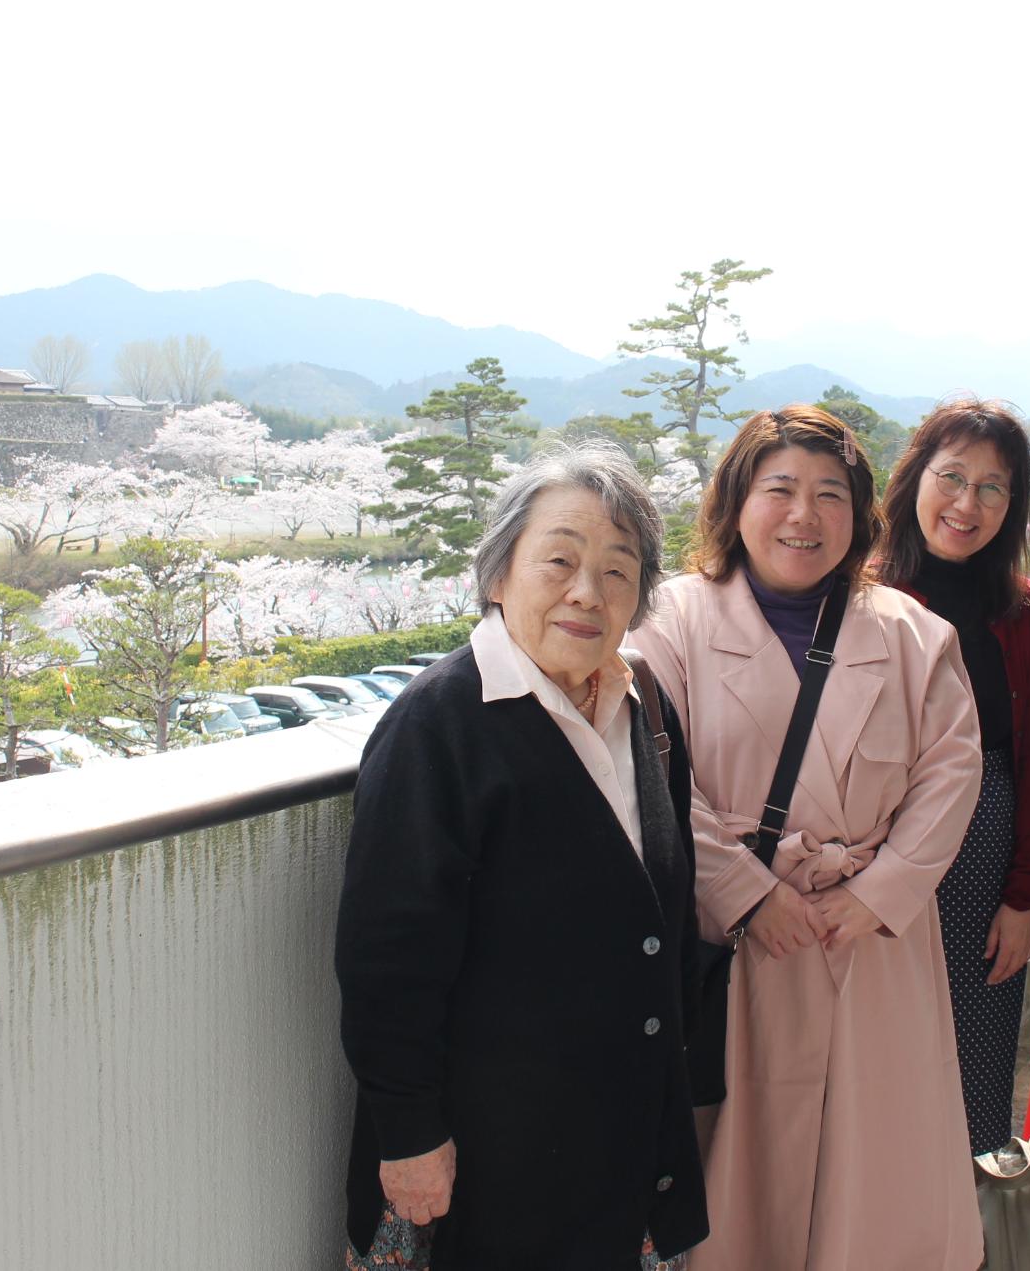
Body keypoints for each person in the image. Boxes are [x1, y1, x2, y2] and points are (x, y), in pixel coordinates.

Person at [334, 444, 707, 1271]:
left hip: (622, 1151)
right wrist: (409, 1132)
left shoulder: (645, 711)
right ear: (499, 574)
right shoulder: (438, 725)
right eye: (559, 561)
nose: (587, 592)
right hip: (485, 1161)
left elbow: (668, 917)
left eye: (618, 571)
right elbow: (386, 956)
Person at [629, 404, 984, 1271]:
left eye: (830, 495)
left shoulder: (913, 632)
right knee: (747, 1171)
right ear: (735, 502)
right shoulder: (669, 621)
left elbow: (952, 771)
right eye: (779, 489)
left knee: (878, 1161)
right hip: (743, 942)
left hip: (871, 939)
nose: (804, 515)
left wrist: (880, 893)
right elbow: (649, 770)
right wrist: (747, 892)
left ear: (860, 516)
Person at [871, 397, 1030, 1156]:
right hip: (868, 857)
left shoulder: (1025, 612)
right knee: (873, 1075)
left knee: (964, 1084)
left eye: (992, 487)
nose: (967, 503)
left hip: (982, 869)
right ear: (914, 477)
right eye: (951, 477)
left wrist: (1023, 897)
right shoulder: (857, 593)